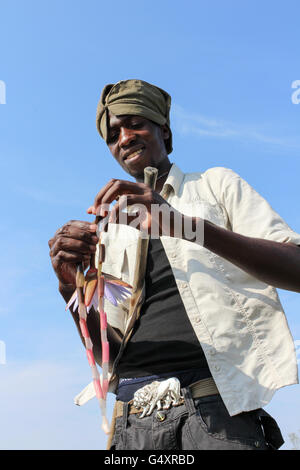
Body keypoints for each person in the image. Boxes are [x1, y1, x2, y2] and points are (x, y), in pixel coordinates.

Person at [48, 79, 300, 450]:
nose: (124, 137)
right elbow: (110, 353)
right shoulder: (112, 232)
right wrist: (70, 288)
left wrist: (185, 226)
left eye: (135, 123)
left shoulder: (216, 186)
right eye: (113, 134)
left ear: (164, 131)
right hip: (132, 420)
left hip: (217, 413)